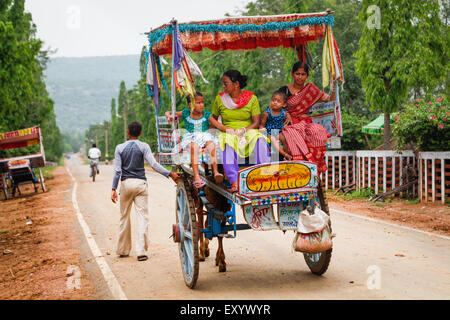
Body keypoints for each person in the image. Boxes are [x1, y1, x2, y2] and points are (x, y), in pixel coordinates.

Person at [111, 121, 180, 261]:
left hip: (125, 184)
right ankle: (141, 251)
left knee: (124, 217)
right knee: (142, 218)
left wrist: (113, 188)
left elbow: (118, 171)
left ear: (128, 132)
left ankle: (123, 250)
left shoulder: (119, 148)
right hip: (141, 184)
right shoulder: (144, 146)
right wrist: (170, 174)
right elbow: (153, 164)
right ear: (140, 133)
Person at [212, 69, 271, 192]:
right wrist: (225, 129)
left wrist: (243, 130)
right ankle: (234, 181)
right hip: (228, 131)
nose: (223, 86)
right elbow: (213, 119)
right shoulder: (220, 99)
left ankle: (265, 177)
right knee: (226, 142)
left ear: (236, 84)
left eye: (225, 83)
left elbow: (256, 122)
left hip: (248, 129)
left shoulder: (252, 98)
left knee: (259, 139)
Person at [279, 61, 335, 173]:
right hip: (289, 124)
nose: (300, 77)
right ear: (292, 74)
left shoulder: (311, 90)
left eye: (303, 74)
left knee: (319, 131)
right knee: (294, 133)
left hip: (306, 122)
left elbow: (329, 99)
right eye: (297, 74)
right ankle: (299, 163)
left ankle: (314, 165)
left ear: (307, 76)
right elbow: (274, 106)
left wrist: (334, 86)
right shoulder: (284, 90)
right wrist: (286, 113)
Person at [164, 92, 228, 188]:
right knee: (194, 146)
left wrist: (231, 131)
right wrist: (169, 116)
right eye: (198, 103)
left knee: (211, 144)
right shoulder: (186, 113)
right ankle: (196, 176)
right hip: (191, 137)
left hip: (204, 136)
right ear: (191, 104)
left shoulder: (206, 115)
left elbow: (219, 125)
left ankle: (216, 172)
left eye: (202, 102)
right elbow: (168, 112)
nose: (201, 105)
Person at [259, 90, 293, 161]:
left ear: (284, 105)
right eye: (273, 100)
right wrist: (262, 130)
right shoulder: (267, 113)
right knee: (273, 139)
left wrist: (285, 125)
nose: (275, 102)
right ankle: (285, 154)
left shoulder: (283, 113)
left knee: (285, 139)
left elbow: (286, 119)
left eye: (278, 101)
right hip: (269, 132)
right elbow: (262, 125)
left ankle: (285, 157)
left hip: (278, 131)